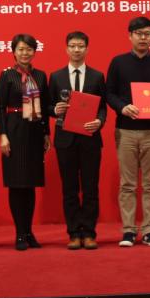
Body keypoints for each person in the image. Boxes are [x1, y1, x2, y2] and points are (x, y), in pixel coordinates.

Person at [105, 16, 150, 247]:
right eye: (139, 34)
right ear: (130, 36)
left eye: (147, 34)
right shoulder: (118, 62)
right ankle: (128, 230)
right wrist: (122, 107)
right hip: (126, 130)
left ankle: (149, 230)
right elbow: (109, 93)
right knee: (128, 184)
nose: (143, 38)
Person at [47, 31, 107, 250]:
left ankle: (89, 233)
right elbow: (47, 106)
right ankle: (73, 233)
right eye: (72, 46)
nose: (76, 50)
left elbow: (102, 107)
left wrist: (99, 121)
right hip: (65, 140)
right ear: (66, 48)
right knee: (69, 189)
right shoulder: (56, 76)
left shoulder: (97, 76)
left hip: (90, 139)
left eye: (80, 46)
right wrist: (55, 109)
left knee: (91, 188)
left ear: (87, 49)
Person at [0, 33, 50, 251]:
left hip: (34, 132)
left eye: (29, 49)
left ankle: (29, 232)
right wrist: (2, 135)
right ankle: (19, 233)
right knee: (17, 184)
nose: (25, 53)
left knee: (30, 185)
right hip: (14, 130)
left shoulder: (41, 75)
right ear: (13, 52)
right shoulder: (7, 75)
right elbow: (0, 108)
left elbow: (44, 106)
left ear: (34, 51)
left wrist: (46, 133)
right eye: (20, 49)